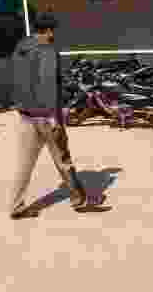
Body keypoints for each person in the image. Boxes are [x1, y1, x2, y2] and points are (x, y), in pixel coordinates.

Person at [9, 12, 109, 219]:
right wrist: (53, 116)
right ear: (48, 30)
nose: (54, 34)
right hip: (46, 116)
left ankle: (16, 206)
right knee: (63, 159)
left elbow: (16, 78)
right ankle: (80, 200)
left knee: (24, 164)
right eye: (52, 30)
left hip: (26, 114)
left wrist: (20, 104)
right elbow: (47, 83)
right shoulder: (47, 49)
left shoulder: (21, 47)